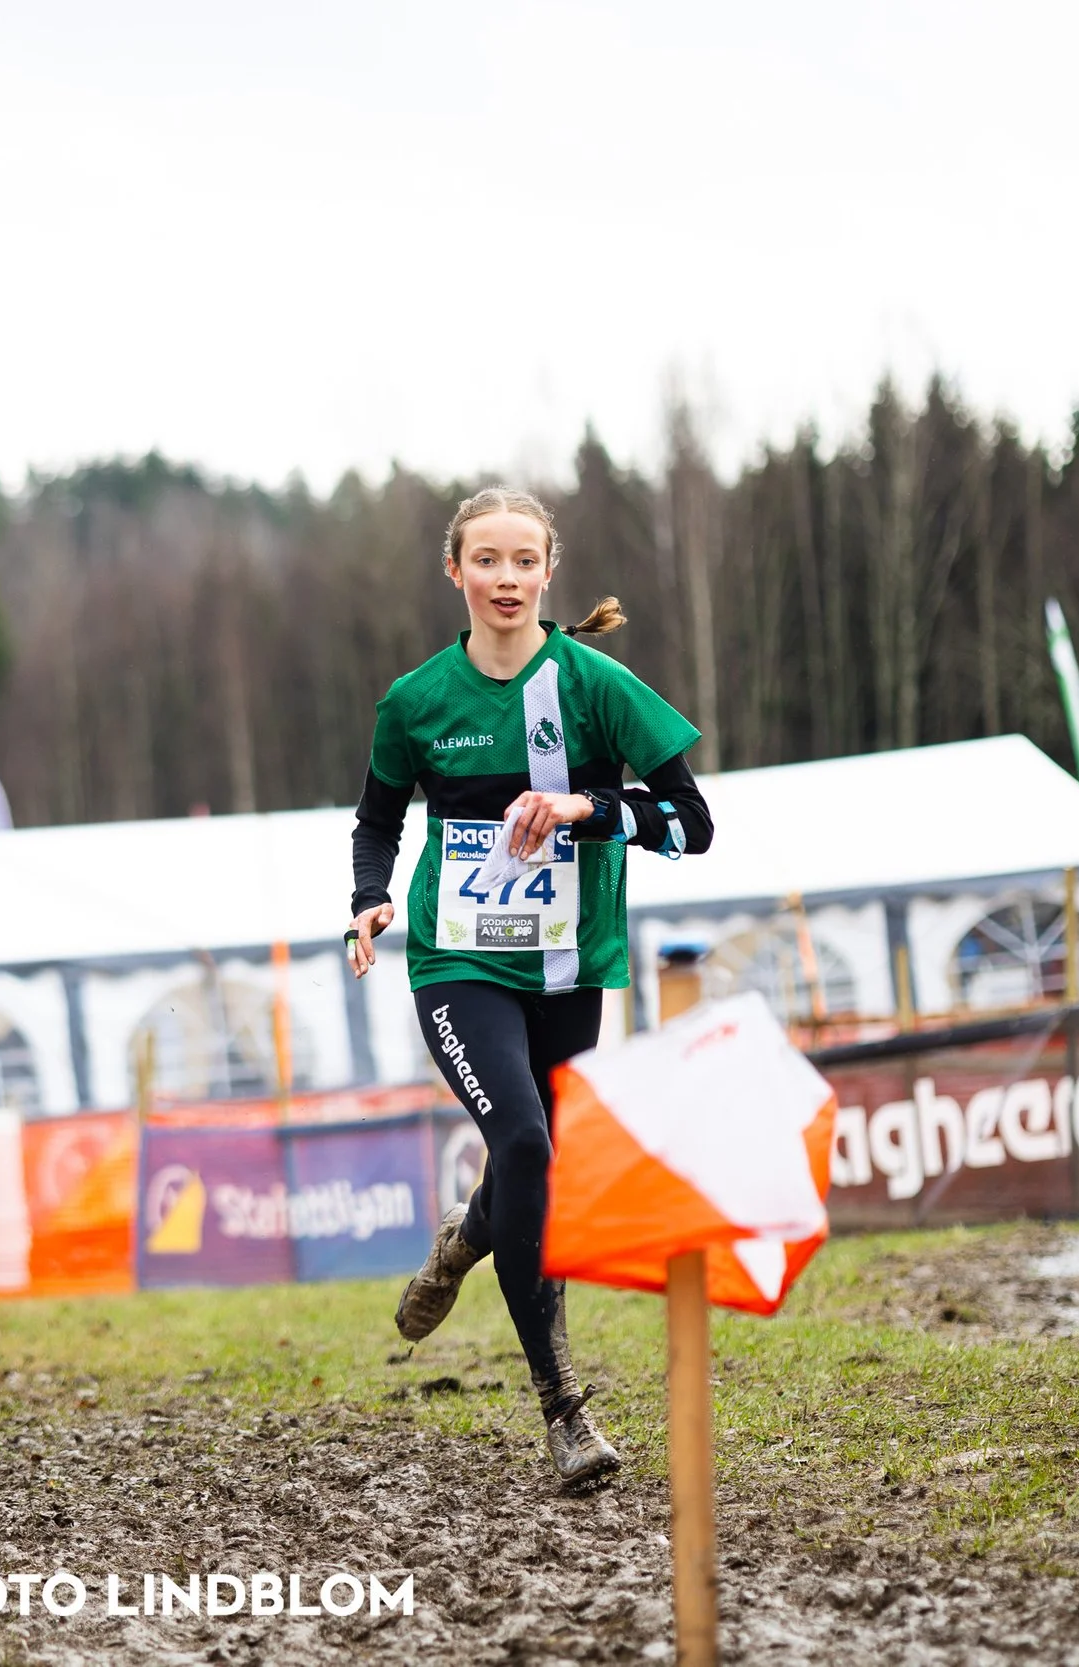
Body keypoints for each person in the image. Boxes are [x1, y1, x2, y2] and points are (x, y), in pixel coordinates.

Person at [346, 486, 712, 1488]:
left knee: (537, 1155)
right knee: (521, 1138)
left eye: (523, 561)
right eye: (486, 560)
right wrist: (370, 896)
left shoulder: (593, 685)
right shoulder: (415, 700)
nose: (505, 579)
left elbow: (690, 822)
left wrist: (587, 806)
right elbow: (377, 818)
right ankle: (563, 1408)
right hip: (457, 961)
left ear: (549, 571)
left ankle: (464, 1240)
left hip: (568, 964)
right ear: (453, 570)